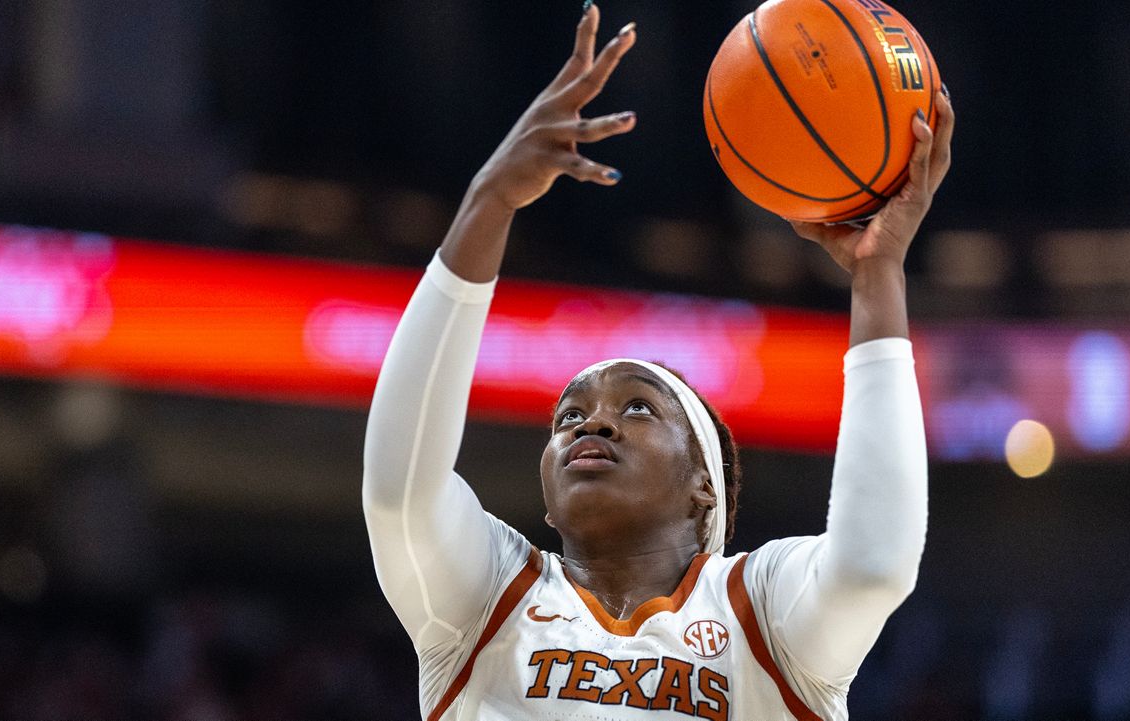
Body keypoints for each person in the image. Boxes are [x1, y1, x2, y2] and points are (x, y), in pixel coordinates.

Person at [363, 5, 954, 719]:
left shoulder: (760, 613)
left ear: (705, 486)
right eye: (569, 416)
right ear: (546, 493)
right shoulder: (490, 597)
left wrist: (876, 274)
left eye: (637, 406)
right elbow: (400, 491)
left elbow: (871, 566)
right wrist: (488, 201)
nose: (593, 424)